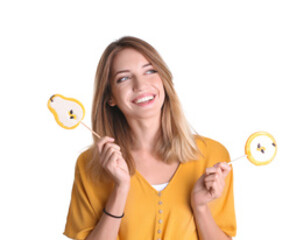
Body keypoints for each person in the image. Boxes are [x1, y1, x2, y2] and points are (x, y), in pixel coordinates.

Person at [64, 36, 235, 240]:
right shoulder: (89, 165)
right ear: (110, 96)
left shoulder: (213, 155)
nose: (141, 85)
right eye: (124, 78)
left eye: (150, 71)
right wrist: (120, 189)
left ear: (163, 79)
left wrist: (200, 207)